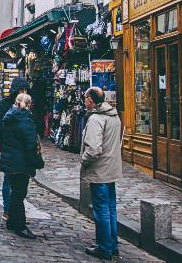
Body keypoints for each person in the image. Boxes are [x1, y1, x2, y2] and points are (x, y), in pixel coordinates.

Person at [81, 86, 123, 260]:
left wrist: (84, 162)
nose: (84, 101)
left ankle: (104, 247)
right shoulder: (114, 116)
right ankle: (113, 245)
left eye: (85, 98)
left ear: (90, 100)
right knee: (111, 209)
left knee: (101, 211)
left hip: (99, 171)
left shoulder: (96, 119)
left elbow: (93, 149)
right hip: (112, 170)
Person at [0, 93, 40, 239]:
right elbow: (30, 145)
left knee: (15, 191)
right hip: (21, 162)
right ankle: (20, 225)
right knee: (19, 194)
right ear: (29, 105)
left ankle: (11, 221)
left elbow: (1, 137)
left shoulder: (8, 116)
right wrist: (36, 162)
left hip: (9, 160)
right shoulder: (26, 120)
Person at [0, 77, 30, 222]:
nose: (24, 92)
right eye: (22, 90)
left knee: (20, 183)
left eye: (26, 90)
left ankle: (16, 211)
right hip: (9, 147)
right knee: (9, 179)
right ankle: (8, 210)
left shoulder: (26, 104)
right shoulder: (5, 104)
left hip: (21, 148)